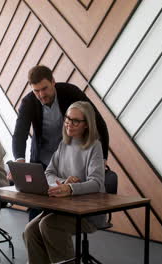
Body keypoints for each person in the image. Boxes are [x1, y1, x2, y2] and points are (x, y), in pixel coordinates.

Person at [12, 65, 109, 220]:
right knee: (36, 211)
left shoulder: (70, 92)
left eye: (44, 89)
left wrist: (103, 158)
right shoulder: (28, 102)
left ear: (53, 82)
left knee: (61, 213)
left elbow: (99, 122)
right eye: (36, 91)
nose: (41, 95)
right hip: (43, 159)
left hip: (69, 157)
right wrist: (20, 162)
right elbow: (19, 134)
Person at [23, 101, 106, 264]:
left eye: (75, 120)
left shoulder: (94, 146)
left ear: (86, 125)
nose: (69, 123)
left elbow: (97, 183)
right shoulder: (64, 144)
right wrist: (63, 182)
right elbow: (48, 173)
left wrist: (71, 188)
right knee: (30, 231)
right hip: (63, 209)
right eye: (67, 118)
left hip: (87, 213)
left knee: (48, 226)